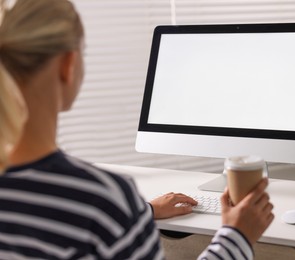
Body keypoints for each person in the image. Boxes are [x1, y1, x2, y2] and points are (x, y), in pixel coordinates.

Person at [0, 0, 274, 259]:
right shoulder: (100, 200)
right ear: (67, 66)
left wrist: (141, 213)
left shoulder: (103, 206)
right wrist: (236, 235)